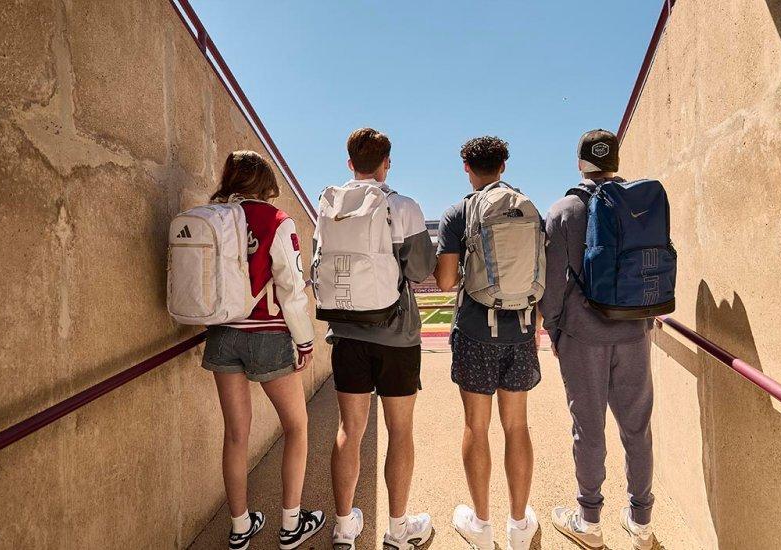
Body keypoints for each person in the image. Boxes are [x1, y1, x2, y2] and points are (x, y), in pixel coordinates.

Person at [200, 151, 325, 550]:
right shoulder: (276, 220)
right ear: (266, 181)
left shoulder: (213, 218)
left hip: (222, 334)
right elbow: (291, 288)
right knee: (297, 427)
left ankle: (240, 527)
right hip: (268, 335)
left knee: (236, 434)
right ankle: (291, 525)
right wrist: (304, 340)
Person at [319, 128, 437, 550]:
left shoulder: (329, 205)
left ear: (349, 162)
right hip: (397, 335)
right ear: (387, 162)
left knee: (349, 430)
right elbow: (422, 269)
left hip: (346, 333)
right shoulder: (402, 205)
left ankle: (344, 527)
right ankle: (398, 528)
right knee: (399, 430)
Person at [541, 130, 659, 550]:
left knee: (588, 429)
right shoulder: (640, 205)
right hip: (633, 331)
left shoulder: (565, 210)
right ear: (616, 162)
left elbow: (552, 285)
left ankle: (589, 520)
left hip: (583, 335)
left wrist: (553, 328)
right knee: (637, 428)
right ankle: (641, 523)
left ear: (580, 163)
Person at [434, 136, 541, 550]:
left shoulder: (458, 212)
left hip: (476, 330)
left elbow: (444, 280)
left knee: (476, 427)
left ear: (466, 167)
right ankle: (519, 525)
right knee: (517, 426)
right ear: (504, 165)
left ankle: (481, 525)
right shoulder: (526, 206)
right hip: (521, 330)